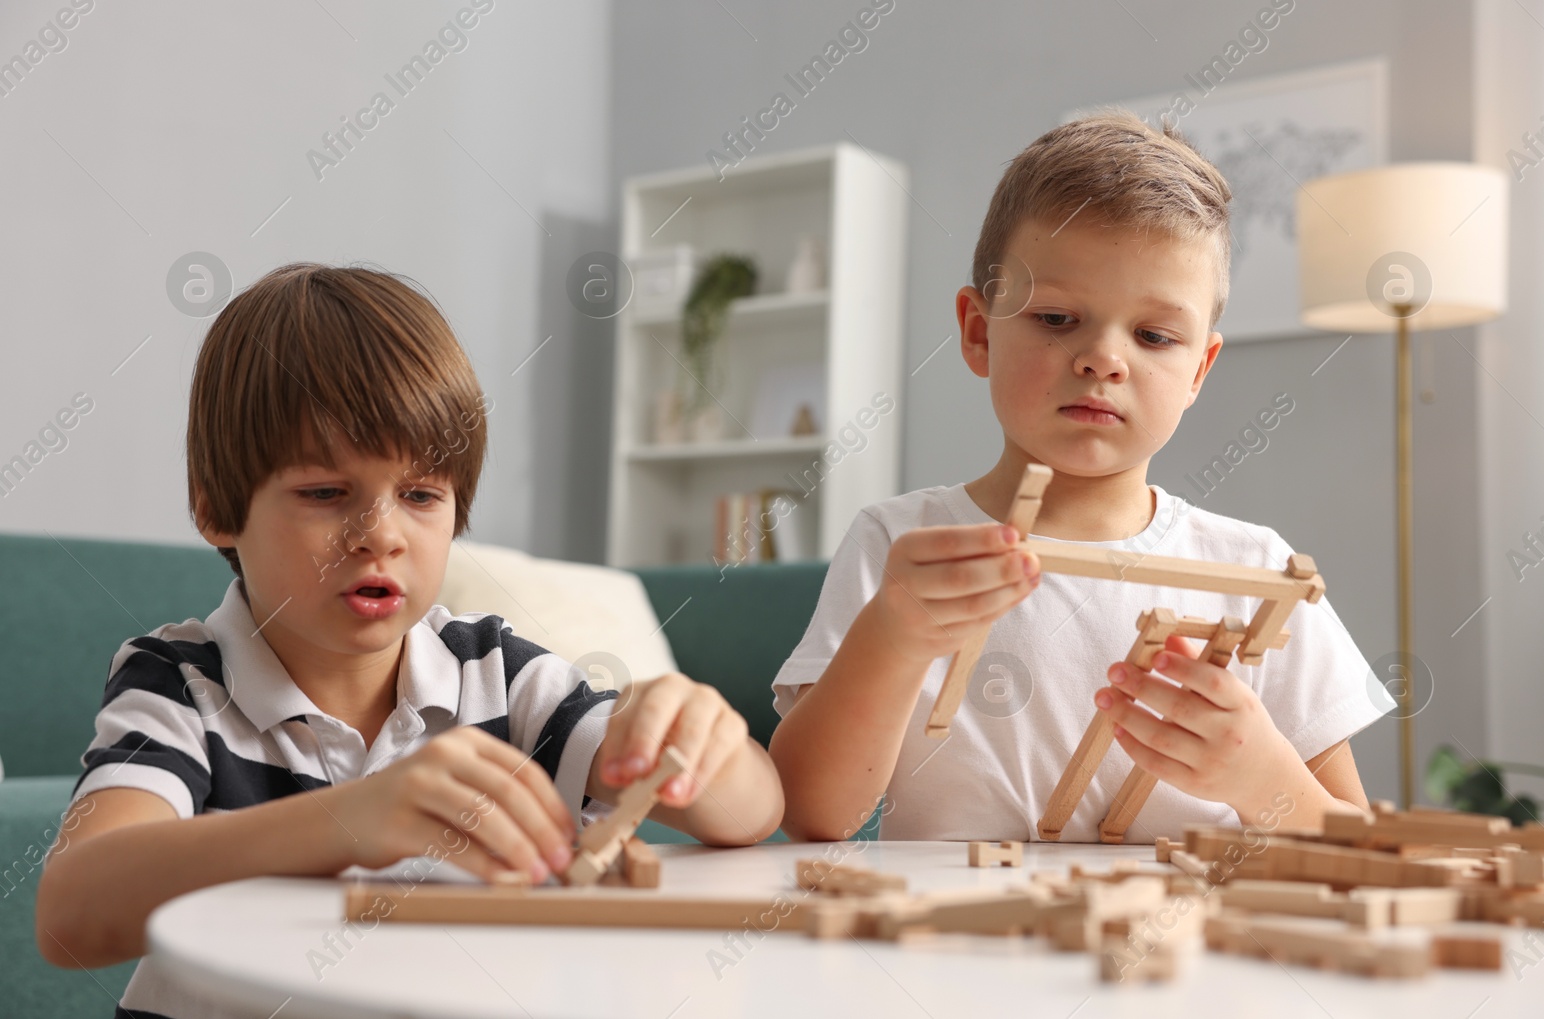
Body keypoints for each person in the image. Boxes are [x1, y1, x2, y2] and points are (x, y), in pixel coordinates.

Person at [36, 263, 783, 1016]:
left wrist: (698, 740)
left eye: (422, 494)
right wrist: (348, 820)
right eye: (326, 493)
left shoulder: (500, 676)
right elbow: (72, 915)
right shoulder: (179, 683)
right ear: (216, 510)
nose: (381, 535)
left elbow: (751, 812)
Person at [768, 110, 1395, 843]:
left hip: (1191, 949)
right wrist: (891, 636)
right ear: (978, 333)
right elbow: (813, 812)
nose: (1103, 359)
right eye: (1058, 318)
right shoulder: (902, 546)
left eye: (1154, 335)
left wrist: (1264, 779)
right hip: (956, 942)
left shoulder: (1257, 570)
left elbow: (1351, 841)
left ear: (1198, 370)